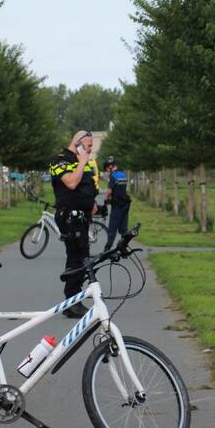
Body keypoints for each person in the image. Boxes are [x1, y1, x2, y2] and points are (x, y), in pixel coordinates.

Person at [48, 130, 99, 318]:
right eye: (88, 145)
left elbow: (86, 186)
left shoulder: (82, 162)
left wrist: (91, 203)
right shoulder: (59, 161)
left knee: (82, 256)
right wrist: (83, 161)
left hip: (83, 216)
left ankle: (76, 299)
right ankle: (72, 302)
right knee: (76, 257)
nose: (90, 149)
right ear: (78, 143)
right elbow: (70, 182)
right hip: (69, 216)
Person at [103, 156, 131, 251]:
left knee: (112, 228)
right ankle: (124, 248)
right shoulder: (123, 174)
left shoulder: (113, 176)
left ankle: (107, 249)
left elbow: (109, 191)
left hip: (118, 205)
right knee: (123, 229)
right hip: (126, 204)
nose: (107, 171)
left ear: (110, 166)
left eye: (107, 168)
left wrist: (105, 200)